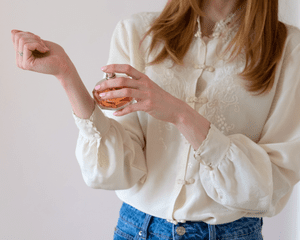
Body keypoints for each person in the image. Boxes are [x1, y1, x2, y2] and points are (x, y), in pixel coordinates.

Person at [11, 0, 300, 239]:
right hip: (138, 230)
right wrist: (66, 74)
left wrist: (179, 113)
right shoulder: (137, 33)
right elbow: (117, 169)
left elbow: (273, 182)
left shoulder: (289, 49)